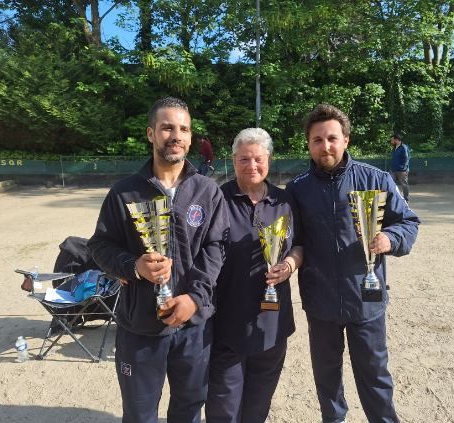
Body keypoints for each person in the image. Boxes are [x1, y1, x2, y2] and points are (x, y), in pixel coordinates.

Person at [88, 96, 229, 423]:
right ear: (151, 133)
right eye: (167, 128)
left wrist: (195, 298)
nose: (176, 136)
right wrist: (134, 266)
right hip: (140, 325)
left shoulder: (207, 191)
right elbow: (100, 245)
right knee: (139, 415)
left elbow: (217, 247)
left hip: (194, 326)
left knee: (189, 410)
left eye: (184, 129)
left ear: (190, 138)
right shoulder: (124, 192)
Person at [286, 104, 420, 423]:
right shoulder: (297, 189)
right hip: (320, 303)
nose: (325, 146)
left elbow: (408, 221)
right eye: (317, 140)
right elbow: (294, 240)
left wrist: (390, 238)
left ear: (346, 139)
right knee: (326, 376)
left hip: (366, 298)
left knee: (374, 374)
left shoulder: (376, 179)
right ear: (309, 144)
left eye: (332, 138)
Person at [205, 128, 303, 423]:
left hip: (272, 325)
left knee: (258, 406)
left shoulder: (285, 201)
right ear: (233, 161)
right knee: (223, 407)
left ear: (268, 160)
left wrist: (289, 265)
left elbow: (299, 245)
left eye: (258, 159)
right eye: (244, 159)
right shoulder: (217, 199)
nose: (252, 166)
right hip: (227, 325)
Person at [389, 133, 411, 202]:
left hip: (402, 170)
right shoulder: (394, 148)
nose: (391, 141)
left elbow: (407, 158)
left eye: (392, 140)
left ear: (396, 140)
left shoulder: (404, 147)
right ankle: (393, 198)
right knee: (391, 183)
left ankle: (406, 199)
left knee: (404, 184)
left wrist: (404, 168)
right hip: (393, 170)